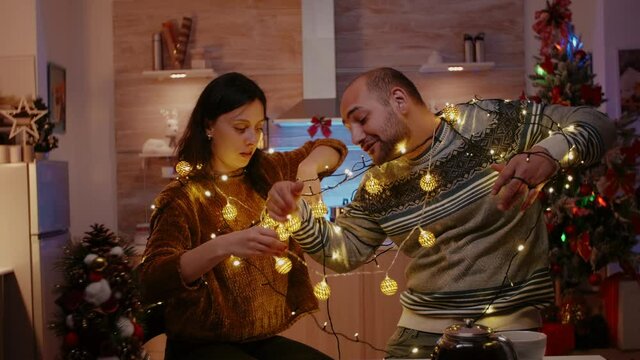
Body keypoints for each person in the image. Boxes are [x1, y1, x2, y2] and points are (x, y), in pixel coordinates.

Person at [265, 67, 615, 358]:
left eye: (361, 119)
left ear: (399, 100)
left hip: (506, 336)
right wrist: (296, 213)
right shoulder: (377, 183)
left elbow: (596, 122)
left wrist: (546, 155)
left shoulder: (490, 123)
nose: (355, 135)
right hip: (416, 340)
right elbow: (343, 253)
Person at [137, 72, 347, 360]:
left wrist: (308, 169)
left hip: (256, 340)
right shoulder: (183, 196)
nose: (253, 139)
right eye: (240, 128)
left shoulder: (268, 170)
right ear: (209, 125)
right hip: (198, 345)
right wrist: (225, 245)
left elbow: (333, 147)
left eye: (258, 128)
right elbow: (152, 278)